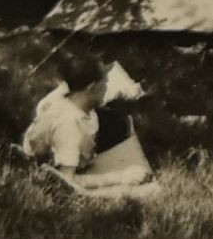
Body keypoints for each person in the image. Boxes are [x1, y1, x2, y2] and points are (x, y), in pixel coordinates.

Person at [21, 56, 138, 186]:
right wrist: (120, 177)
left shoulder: (76, 97)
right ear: (92, 87)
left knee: (121, 122)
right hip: (61, 160)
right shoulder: (69, 126)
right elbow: (67, 181)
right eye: (105, 83)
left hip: (82, 139)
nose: (106, 87)